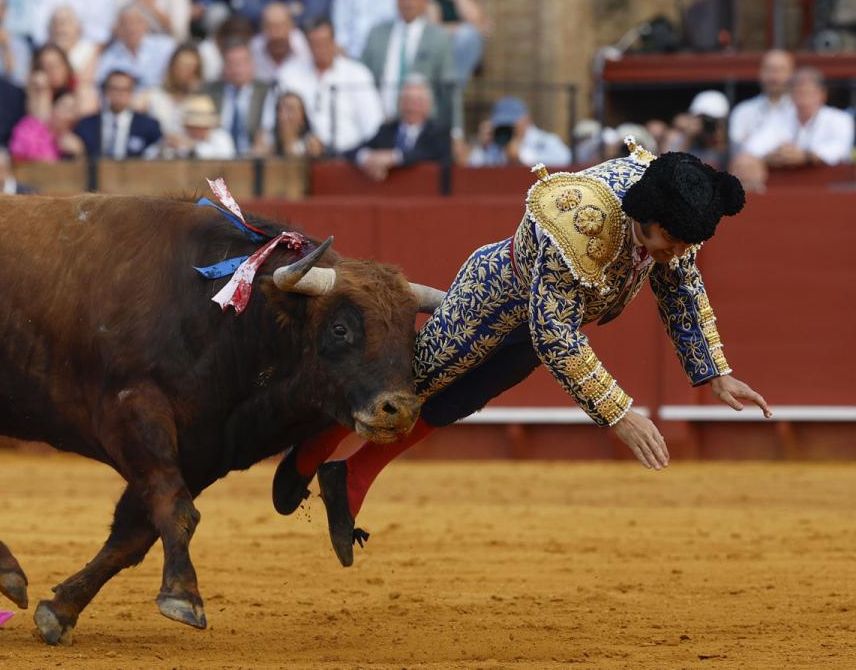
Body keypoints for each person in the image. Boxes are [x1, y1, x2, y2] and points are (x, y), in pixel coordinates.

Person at [274, 139, 773, 567]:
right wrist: (619, 414)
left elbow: (681, 284)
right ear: (645, 216)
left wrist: (715, 373)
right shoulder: (582, 220)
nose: (673, 252)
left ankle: (353, 475)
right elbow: (553, 329)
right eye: (667, 240)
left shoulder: (675, 208)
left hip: (546, 321)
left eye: (683, 243)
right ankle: (317, 446)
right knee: (415, 380)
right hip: (495, 296)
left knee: (456, 401)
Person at [731, 66, 855, 192]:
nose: (803, 97)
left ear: (822, 94)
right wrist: (773, 157)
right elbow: (754, 147)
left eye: (808, 92)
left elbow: (839, 150)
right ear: (791, 94)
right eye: (798, 91)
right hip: (784, 188)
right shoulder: (779, 118)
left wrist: (804, 156)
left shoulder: (840, 119)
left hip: (830, 188)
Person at [276, 17, 382, 154]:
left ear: (333, 42)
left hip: (348, 158)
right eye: (314, 44)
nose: (319, 49)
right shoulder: (289, 74)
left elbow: (372, 126)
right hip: (300, 159)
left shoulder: (357, 74)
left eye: (324, 42)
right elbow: (272, 123)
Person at [361, 0, 459, 131]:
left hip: (423, 129)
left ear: (425, 2)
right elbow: (362, 78)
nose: (408, 3)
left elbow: (450, 89)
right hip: (380, 123)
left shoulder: (438, 37)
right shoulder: (377, 33)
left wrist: (456, 131)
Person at [350, 76, 450, 181]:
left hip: (425, 192)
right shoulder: (386, 130)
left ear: (428, 105)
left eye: (418, 102)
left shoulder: (439, 132)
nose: (412, 107)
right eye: (407, 100)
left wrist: (393, 158)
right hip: (387, 193)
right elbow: (351, 151)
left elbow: (432, 153)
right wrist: (369, 159)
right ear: (399, 103)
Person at [205, 40, 273, 158]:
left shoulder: (266, 91)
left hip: (253, 158)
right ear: (224, 67)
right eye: (231, 63)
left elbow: (267, 130)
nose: (237, 68)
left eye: (242, 62)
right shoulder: (210, 92)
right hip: (217, 157)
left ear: (252, 65)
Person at [73, 69, 163, 159]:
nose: (119, 94)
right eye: (114, 89)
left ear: (131, 93)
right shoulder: (86, 125)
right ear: (105, 91)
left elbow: (157, 151)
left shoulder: (148, 125)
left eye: (124, 89)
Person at [467, 96, 571, 167]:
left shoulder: (546, 140)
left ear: (526, 120)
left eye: (512, 122)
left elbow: (564, 159)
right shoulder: (495, 143)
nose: (508, 127)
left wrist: (520, 156)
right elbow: (473, 167)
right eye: (502, 124)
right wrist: (484, 148)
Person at [96, 4, 177, 91]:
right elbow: (100, 86)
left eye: (136, 22)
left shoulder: (165, 46)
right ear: (117, 29)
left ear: (145, 25)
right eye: (125, 24)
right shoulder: (109, 57)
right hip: (126, 102)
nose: (131, 28)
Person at [138, 44, 203, 151]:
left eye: (191, 68)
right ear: (172, 67)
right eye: (182, 67)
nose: (186, 73)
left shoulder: (200, 101)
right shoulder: (153, 96)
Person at [729, 49, 795, 152]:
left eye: (780, 70)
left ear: (791, 74)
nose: (774, 77)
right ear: (760, 72)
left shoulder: (802, 111)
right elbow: (738, 152)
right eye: (769, 70)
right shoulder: (743, 111)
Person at [10, 91, 84, 162]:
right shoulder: (29, 127)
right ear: (53, 107)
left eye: (73, 111)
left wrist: (78, 153)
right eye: (65, 108)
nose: (68, 115)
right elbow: (17, 154)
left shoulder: (77, 138)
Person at [249, 2, 310, 83]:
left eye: (281, 26)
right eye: (271, 28)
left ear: (291, 26)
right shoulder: (254, 48)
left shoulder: (304, 45)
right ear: (263, 28)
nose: (277, 35)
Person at [251, 90, 323, 157]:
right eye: (279, 109)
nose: (283, 116)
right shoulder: (267, 138)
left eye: (290, 109)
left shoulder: (310, 143)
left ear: (302, 116)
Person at [161, 94, 235, 159]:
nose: (196, 129)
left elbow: (225, 156)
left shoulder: (221, 137)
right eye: (193, 126)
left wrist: (192, 146)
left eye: (201, 126)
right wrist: (166, 146)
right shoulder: (181, 135)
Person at [331, 0, 397, 59]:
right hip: (350, 52)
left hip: (381, 51)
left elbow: (393, 19)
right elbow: (340, 22)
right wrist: (341, 46)